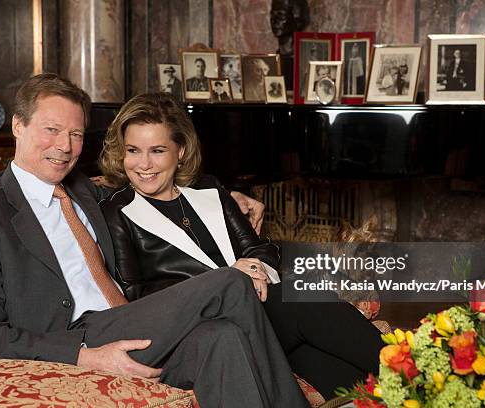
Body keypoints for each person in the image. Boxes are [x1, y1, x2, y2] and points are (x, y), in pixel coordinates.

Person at [0, 73, 309, 408]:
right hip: (75, 336)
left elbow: (151, 185)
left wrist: (227, 197)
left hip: (130, 319)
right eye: (51, 130)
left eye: (76, 135)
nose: (65, 147)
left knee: (223, 336)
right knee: (231, 282)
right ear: (18, 126)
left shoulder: (83, 189)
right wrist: (84, 355)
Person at [99, 92, 385, 399]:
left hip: (257, 310)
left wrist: (256, 270)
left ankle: (416, 386)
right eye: (133, 150)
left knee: (347, 376)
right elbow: (135, 295)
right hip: (198, 324)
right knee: (303, 298)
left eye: (157, 150)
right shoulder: (117, 212)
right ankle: (417, 362)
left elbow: (260, 247)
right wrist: (225, 281)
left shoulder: (209, 190)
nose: (143, 164)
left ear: (180, 151)